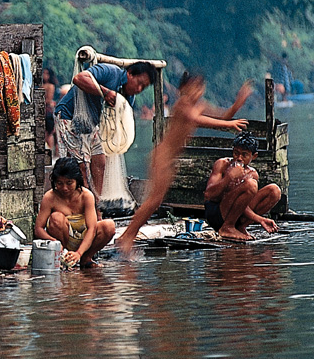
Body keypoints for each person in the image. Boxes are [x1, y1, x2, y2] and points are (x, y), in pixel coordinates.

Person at [114, 74, 208, 258]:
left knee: (155, 202)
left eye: (200, 88)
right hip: (162, 156)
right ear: (183, 89)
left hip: (170, 160)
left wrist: (236, 106)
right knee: (152, 201)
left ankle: (128, 236)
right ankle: (126, 237)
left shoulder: (197, 107)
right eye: (193, 87)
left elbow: (222, 113)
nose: (197, 92)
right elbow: (197, 119)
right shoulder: (183, 105)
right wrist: (229, 123)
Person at [54, 60, 155, 201]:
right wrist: (105, 92)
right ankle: (80, 206)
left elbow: (118, 126)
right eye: (139, 83)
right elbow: (79, 78)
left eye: (143, 87)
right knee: (81, 166)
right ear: (130, 74)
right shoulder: (110, 72)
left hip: (91, 124)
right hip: (69, 116)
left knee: (100, 163)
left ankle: (97, 204)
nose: (139, 89)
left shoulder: (126, 99)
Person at [34, 157, 115, 268]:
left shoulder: (86, 196)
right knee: (56, 217)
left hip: (84, 239)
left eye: (69, 183)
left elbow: (92, 228)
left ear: (77, 181)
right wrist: (56, 244)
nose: (65, 188)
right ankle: (62, 260)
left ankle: (86, 259)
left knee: (109, 225)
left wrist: (79, 253)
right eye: (60, 183)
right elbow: (38, 229)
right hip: (62, 241)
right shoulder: (50, 197)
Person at [203, 132, 281, 241]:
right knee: (251, 184)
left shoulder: (252, 173)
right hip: (217, 213)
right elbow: (209, 195)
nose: (239, 158)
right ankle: (227, 227)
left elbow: (242, 205)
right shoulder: (223, 164)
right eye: (236, 153)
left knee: (274, 190)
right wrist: (229, 177)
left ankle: (239, 227)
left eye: (244, 155)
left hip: (235, 215)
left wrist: (260, 220)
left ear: (254, 156)